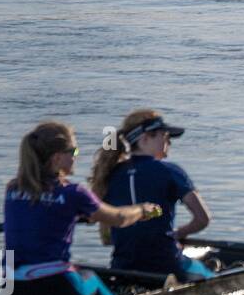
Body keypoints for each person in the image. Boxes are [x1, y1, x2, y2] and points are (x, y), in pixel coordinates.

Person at [3, 122, 161, 295]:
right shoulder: (73, 193)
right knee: (91, 277)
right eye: (74, 151)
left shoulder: (12, 188)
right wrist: (142, 210)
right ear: (57, 158)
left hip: (10, 288)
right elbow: (119, 218)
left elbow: (43, 210)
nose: (76, 157)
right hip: (54, 289)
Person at [91, 110, 214, 284]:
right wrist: (178, 234)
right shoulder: (170, 171)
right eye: (164, 136)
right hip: (166, 265)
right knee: (211, 275)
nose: (169, 141)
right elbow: (203, 219)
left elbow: (107, 238)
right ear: (144, 139)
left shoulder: (108, 175)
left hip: (122, 266)